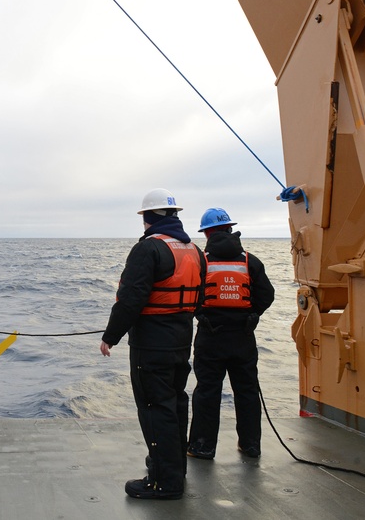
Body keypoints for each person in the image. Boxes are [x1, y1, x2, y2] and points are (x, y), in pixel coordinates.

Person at [100, 188, 205, 500]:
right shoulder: (193, 250)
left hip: (151, 344)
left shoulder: (148, 249)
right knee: (175, 404)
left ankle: (163, 481)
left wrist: (111, 336)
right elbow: (199, 298)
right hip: (181, 341)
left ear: (147, 217)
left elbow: (131, 298)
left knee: (154, 408)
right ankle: (173, 471)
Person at [187, 208, 275, 460]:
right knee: (247, 391)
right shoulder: (251, 261)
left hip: (210, 337)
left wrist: (200, 314)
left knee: (207, 391)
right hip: (243, 337)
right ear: (230, 229)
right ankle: (250, 446)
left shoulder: (200, 261)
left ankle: (202, 447)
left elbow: (191, 295)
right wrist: (251, 314)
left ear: (207, 234)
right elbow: (267, 296)